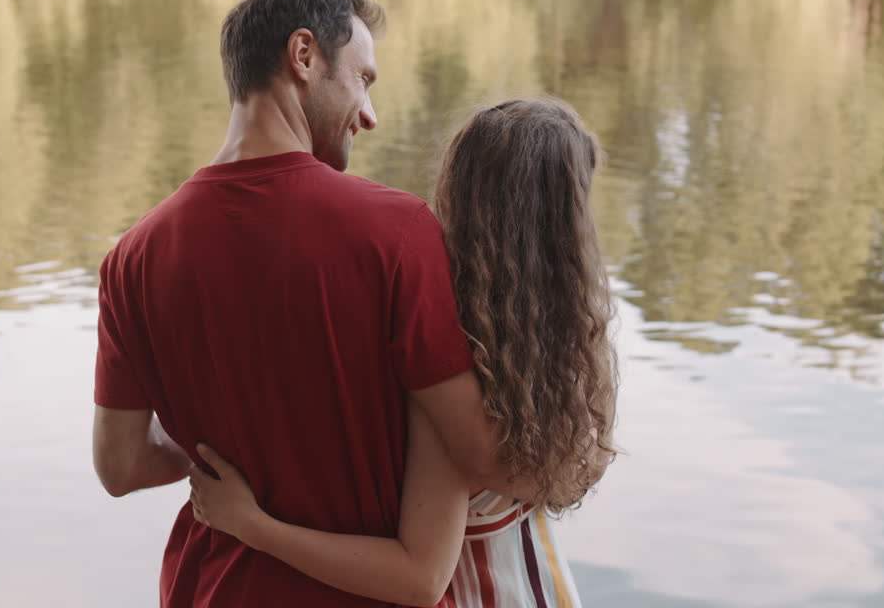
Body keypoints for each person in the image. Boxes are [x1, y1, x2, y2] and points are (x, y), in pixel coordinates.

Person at [91, 0, 567, 607]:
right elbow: (481, 453)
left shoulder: (132, 259)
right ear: (304, 56)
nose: (369, 115)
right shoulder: (395, 231)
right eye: (363, 79)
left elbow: (119, 467)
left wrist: (226, 427)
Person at [187, 97, 619, 607]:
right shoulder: (569, 344)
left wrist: (252, 526)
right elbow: (581, 471)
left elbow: (419, 579)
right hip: (547, 588)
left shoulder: (448, 370)